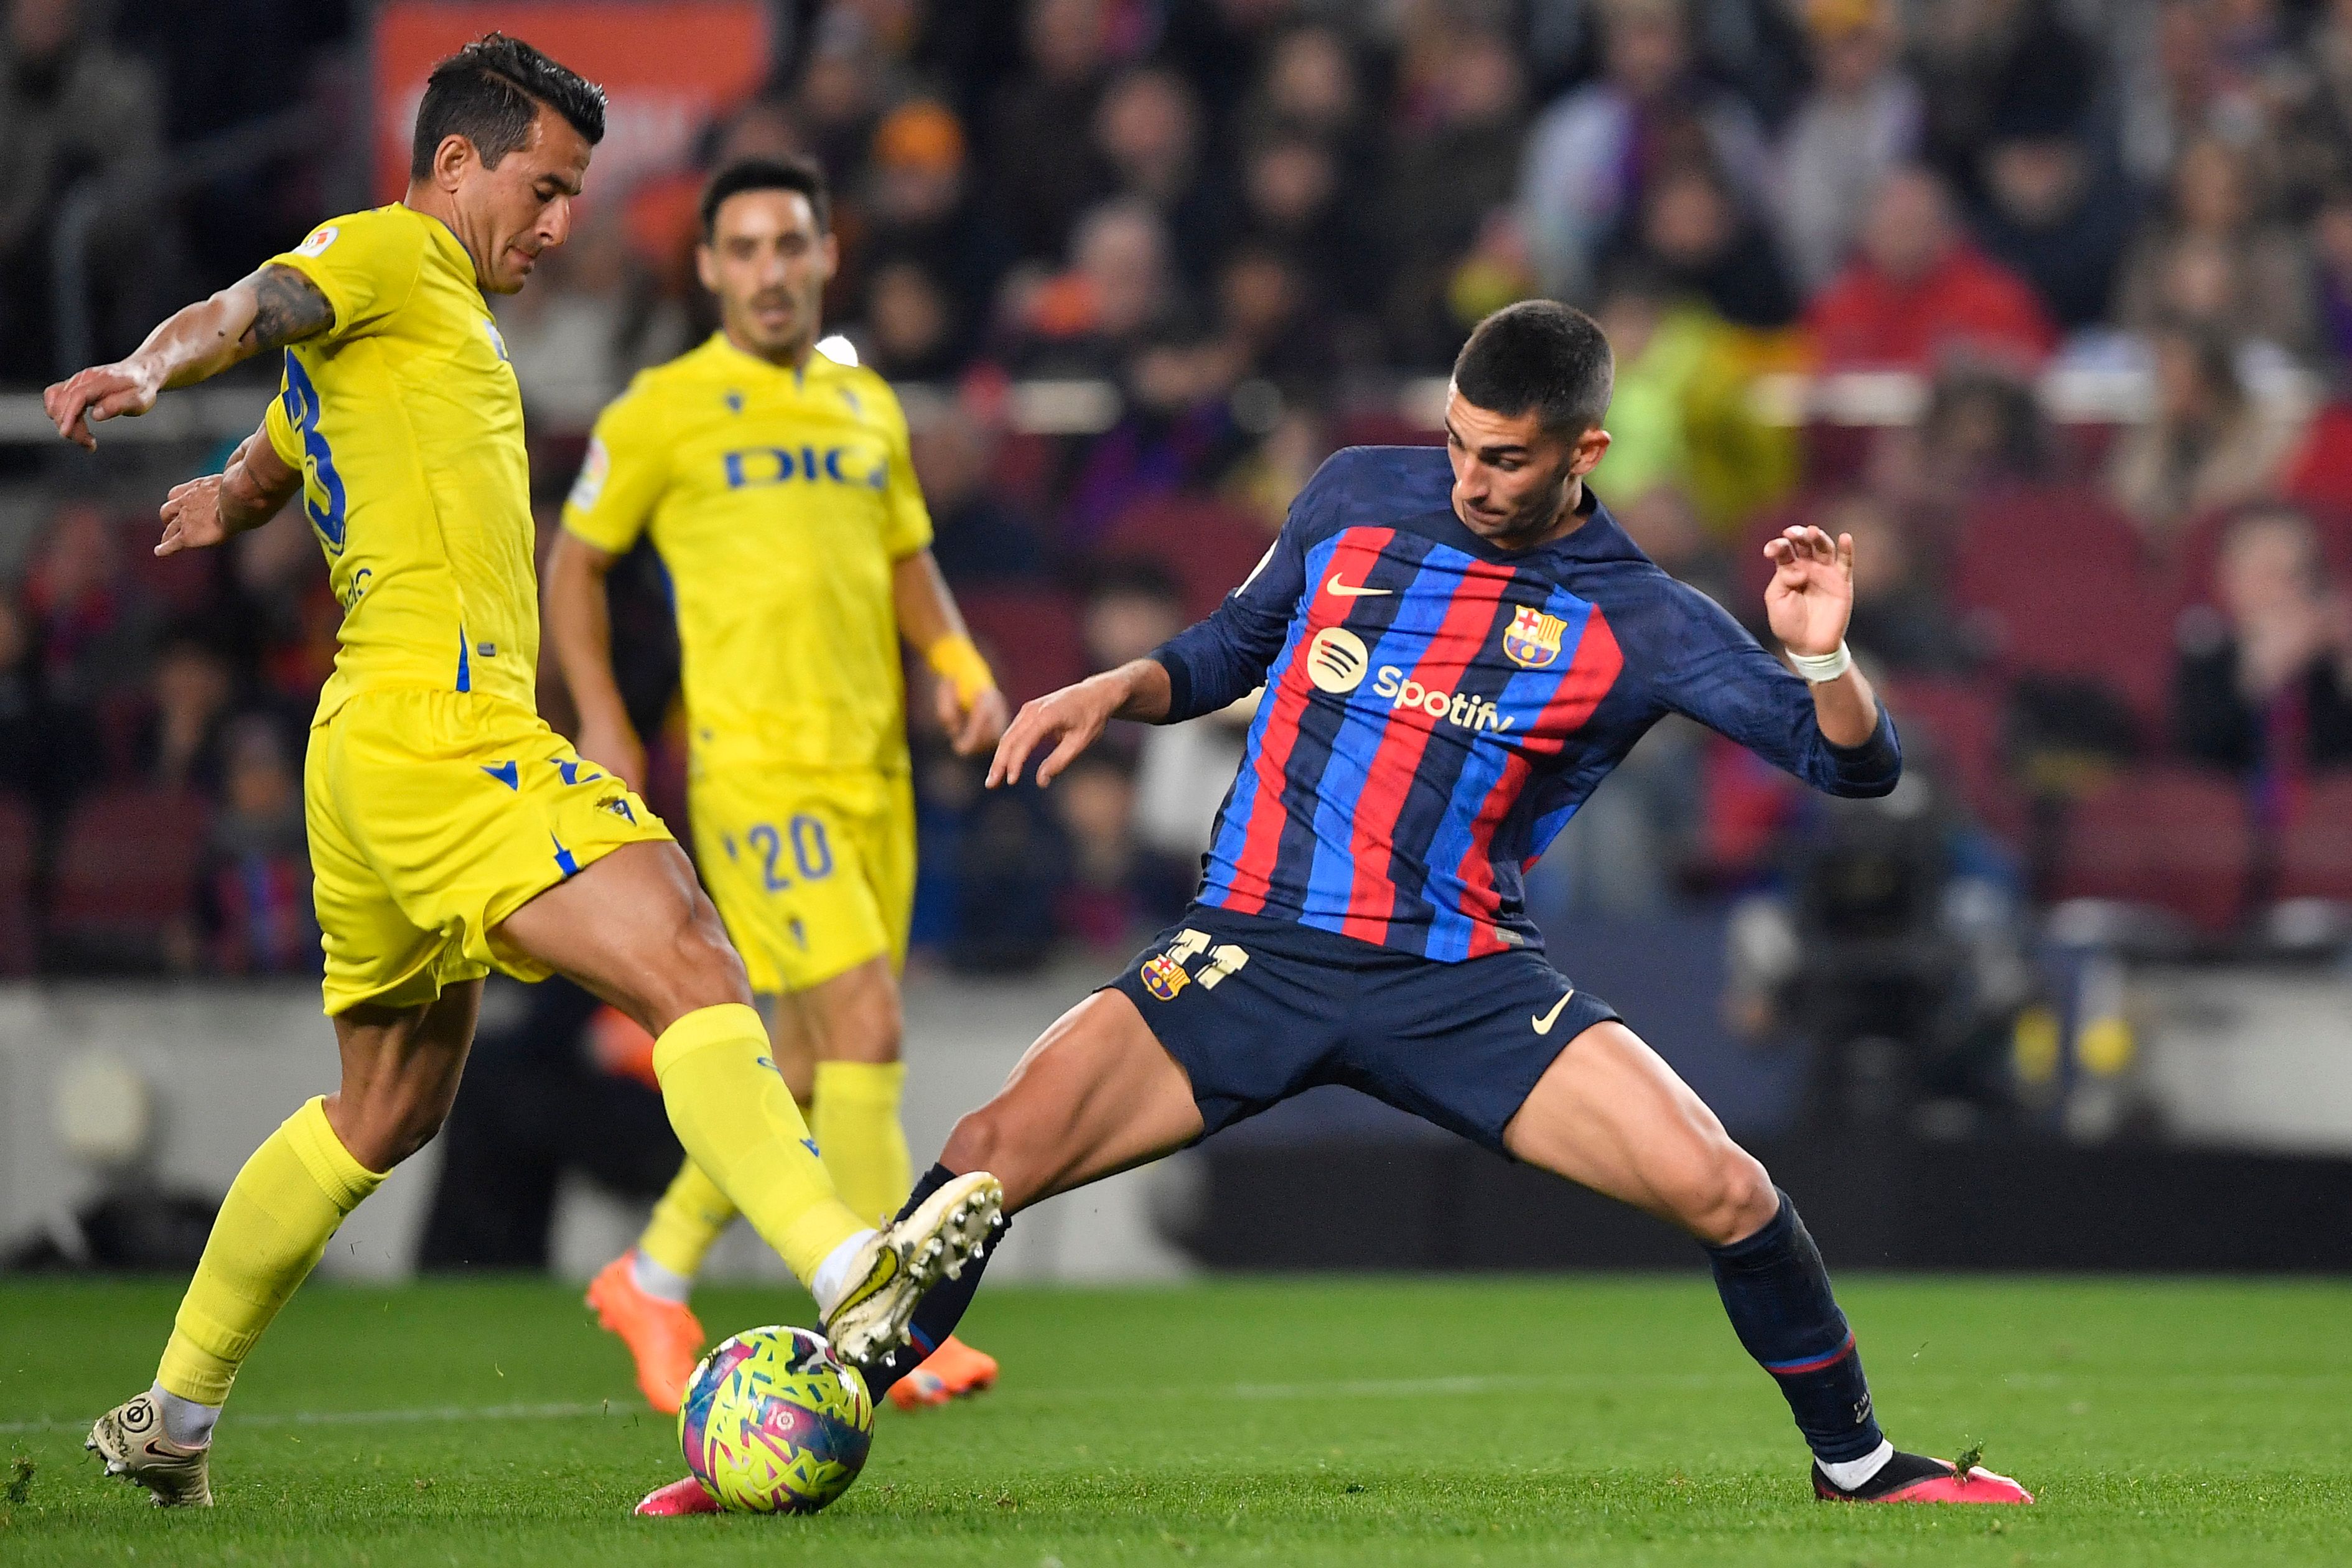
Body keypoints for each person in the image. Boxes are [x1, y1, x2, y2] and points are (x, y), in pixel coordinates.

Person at [640, 300, 2035, 1516]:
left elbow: (1856, 770)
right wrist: (1108, 689)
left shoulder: (1645, 620)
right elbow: (1229, 649)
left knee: (1728, 1189)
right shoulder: (1356, 496)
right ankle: (790, 1427)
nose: (1474, 478)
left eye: (1508, 458)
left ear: (1584, 455)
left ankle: (1858, 1466)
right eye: (1459, 444)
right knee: (987, 1156)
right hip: (1250, 952)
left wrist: (1823, 653)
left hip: (1466, 983)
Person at [44, 36, 999, 1510]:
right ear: (453, 165)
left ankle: (174, 1410)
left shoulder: (392, 347)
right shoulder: (389, 254)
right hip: (447, 729)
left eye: (575, 197)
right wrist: (148, 361)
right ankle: (847, 1261)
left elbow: (264, 464)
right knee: (687, 943)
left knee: (389, 1107)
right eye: (543, 190)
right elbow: (254, 305)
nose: (560, 225)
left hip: (361, 753)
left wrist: (212, 501)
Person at [548, 155, 1014, 1419]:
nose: (767, 271)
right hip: (759, 776)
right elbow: (574, 564)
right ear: (707, 268)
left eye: (788, 247)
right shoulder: (661, 411)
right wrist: (601, 714)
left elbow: (909, 559)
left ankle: (651, 1275)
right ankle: (879, 1317)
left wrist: (960, 665)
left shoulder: (865, 409)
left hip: (875, 774)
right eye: (742, 249)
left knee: (803, 1060)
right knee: (866, 1029)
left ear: (824, 258)